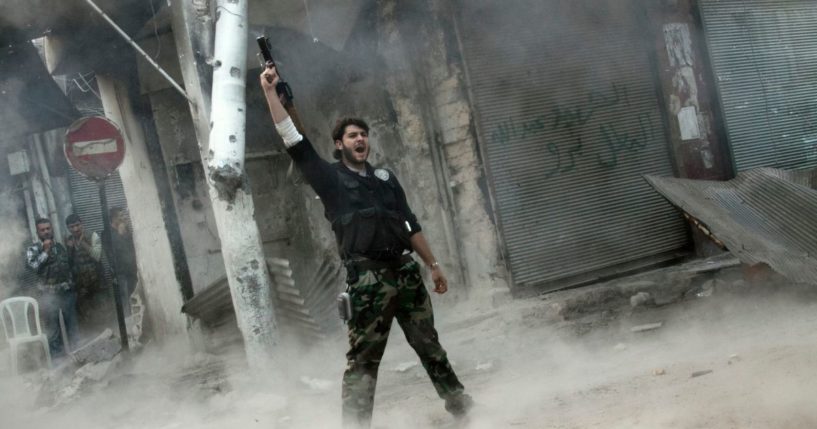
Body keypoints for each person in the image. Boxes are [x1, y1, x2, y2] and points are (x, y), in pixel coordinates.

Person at [260, 65, 473, 427]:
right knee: (363, 363)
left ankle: (461, 408)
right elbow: (293, 140)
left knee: (430, 346)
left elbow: (410, 224)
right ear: (339, 144)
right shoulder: (330, 180)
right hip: (368, 282)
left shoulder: (385, 180)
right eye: (352, 136)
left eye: (364, 135)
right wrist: (270, 92)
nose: (360, 140)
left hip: (405, 274)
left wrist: (433, 265)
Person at [25, 217, 79, 357]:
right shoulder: (33, 249)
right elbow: (34, 267)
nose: (46, 232)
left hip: (66, 292)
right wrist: (46, 251)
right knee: (53, 331)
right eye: (42, 230)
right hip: (48, 296)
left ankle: (79, 356)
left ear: (52, 229)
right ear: (38, 233)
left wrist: (71, 250)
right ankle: (58, 363)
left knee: (72, 327)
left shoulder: (60, 246)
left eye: (48, 229)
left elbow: (69, 266)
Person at [64, 214, 103, 323]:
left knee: (102, 311)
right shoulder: (68, 241)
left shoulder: (92, 235)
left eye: (77, 225)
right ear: (68, 228)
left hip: (96, 283)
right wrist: (69, 249)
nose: (75, 229)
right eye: (72, 227)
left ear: (82, 223)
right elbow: (68, 264)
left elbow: (97, 256)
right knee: (87, 317)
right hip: (81, 286)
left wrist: (84, 244)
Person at [106, 207, 138, 316]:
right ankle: (129, 325)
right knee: (126, 301)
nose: (124, 218)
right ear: (114, 219)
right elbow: (112, 254)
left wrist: (124, 233)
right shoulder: (106, 234)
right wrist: (120, 234)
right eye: (121, 216)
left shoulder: (125, 230)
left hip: (132, 271)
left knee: (135, 299)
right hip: (121, 274)